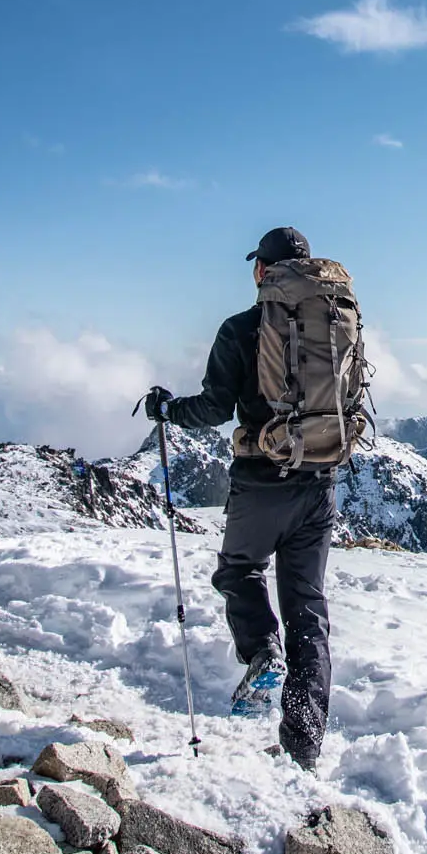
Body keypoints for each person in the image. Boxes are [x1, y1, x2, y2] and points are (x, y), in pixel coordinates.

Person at [144, 227, 351, 772]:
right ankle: (303, 741)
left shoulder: (241, 328)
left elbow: (213, 407)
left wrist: (167, 410)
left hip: (261, 478)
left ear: (263, 270)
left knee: (239, 571)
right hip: (321, 479)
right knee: (308, 607)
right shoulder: (333, 321)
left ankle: (264, 654)